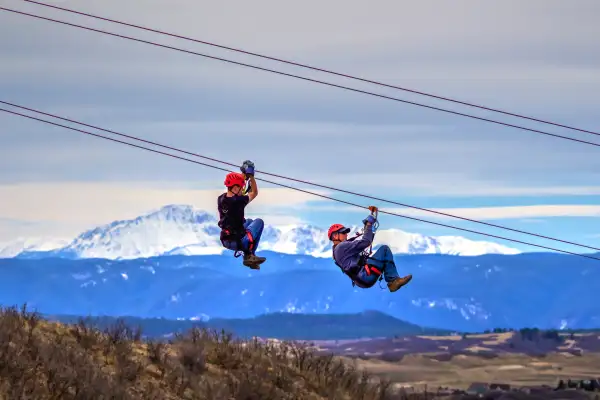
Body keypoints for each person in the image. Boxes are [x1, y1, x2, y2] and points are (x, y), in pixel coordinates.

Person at [328, 207, 412, 292]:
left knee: (383, 254)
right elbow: (366, 241)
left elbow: (365, 242)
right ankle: (393, 281)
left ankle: (393, 281)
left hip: (362, 279)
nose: (346, 234)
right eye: (343, 232)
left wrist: (369, 227)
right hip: (364, 275)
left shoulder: (338, 250)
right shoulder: (341, 247)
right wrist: (368, 225)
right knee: (385, 250)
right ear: (335, 236)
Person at [217, 160, 266, 269]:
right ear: (235, 187)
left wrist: (243, 176)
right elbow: (254, 193)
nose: (242, 189)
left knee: (248, 221)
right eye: (240, 187)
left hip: (226, 240)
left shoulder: (221, 199)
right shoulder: (238, 202)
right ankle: (250, 255)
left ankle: (248, 255)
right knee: (259, 222)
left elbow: (236, 195)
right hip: (238, 242)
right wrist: (251, 177)